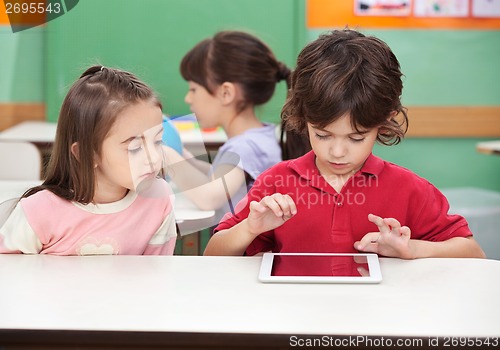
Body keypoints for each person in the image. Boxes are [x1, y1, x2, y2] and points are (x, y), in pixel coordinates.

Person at [204, 29, 486, 259]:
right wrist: (250, 229)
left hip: (376, 324)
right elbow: (212, 256)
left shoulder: (409, 189)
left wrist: (412, 249)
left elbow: (473, 254)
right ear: (305, 119)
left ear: (384, 122)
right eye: (323, 135)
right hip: (292, 320)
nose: (337, 152)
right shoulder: (276, 183)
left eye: (356, 137)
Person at [0, 65, 177, 255]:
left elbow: (156, 275)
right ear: (87, 153)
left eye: (158, 141)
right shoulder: (38, 211)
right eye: (135, 148)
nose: (154, 157)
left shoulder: (158, 199)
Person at [164, 30, 289, 226]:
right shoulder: (259, 137)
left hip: (246, 255)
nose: (188, 99)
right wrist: (186, 158)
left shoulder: (244, 147)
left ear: (226, 93)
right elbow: (217, 176)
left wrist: (167, 156)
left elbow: (210, 197)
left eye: (193, 89)